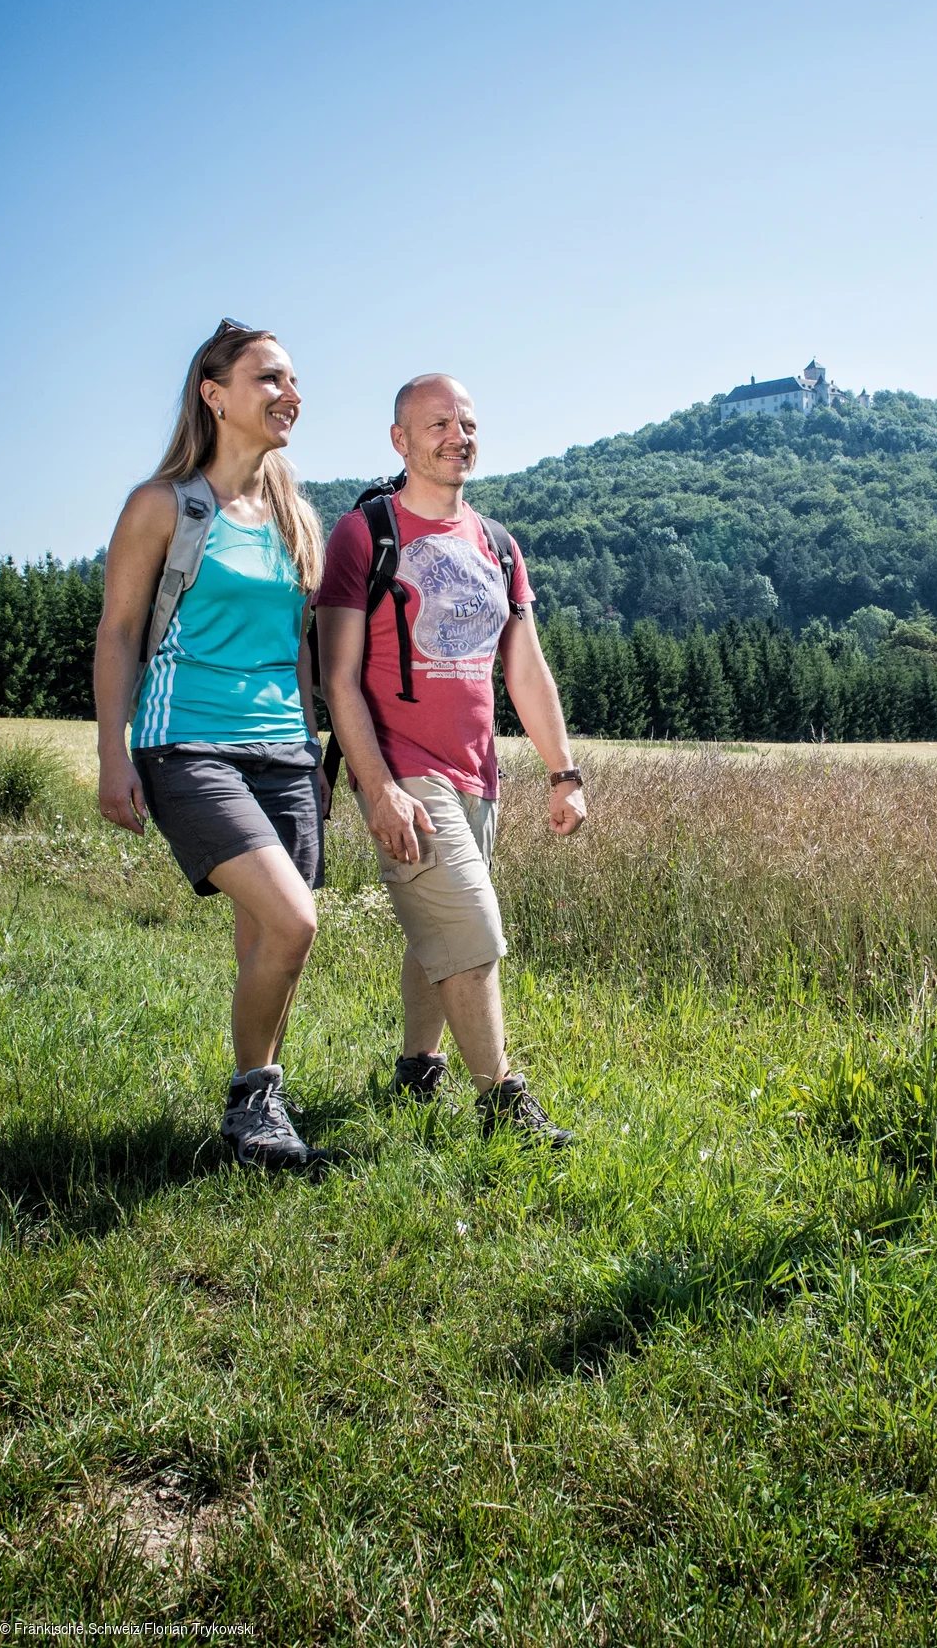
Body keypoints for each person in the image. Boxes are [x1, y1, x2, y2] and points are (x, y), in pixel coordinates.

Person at [315, 374, 585, 1145]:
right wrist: (378, 789)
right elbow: (339, 676)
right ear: (400, 440)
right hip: (401, 769)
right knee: (471, 925)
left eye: (466, 422)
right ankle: (504, 1103)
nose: (455, 435)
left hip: (478, 774)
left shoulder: (498, 546)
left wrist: (563, 771)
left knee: (438, 929)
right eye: (437, 423)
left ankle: (416, 1067)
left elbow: (525, 669)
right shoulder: (365, 535)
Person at [95, 319, 330, 1172]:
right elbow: (119, 632)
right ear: (215, 392)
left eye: (294, 381)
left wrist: (314, 752)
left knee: (268, 937)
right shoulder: (163, 505)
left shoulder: (296, 518)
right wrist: (111, 753)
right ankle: (254, 1100)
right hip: (186, 743)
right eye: (270, 378)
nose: (290, 394)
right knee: (294, 920)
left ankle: (255, 1110)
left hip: (285, 753)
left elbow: (301, 653)